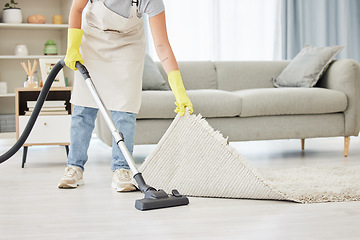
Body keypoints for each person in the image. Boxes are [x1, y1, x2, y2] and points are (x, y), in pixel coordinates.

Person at [58, 0, 193, 191]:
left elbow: (162, 45)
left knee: (125, 108)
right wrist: (72, 47)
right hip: (92, 41)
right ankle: (74, 167)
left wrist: (179, 90)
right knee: (83, 107)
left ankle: (122, 169)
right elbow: (77, 8)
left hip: (128, 45)